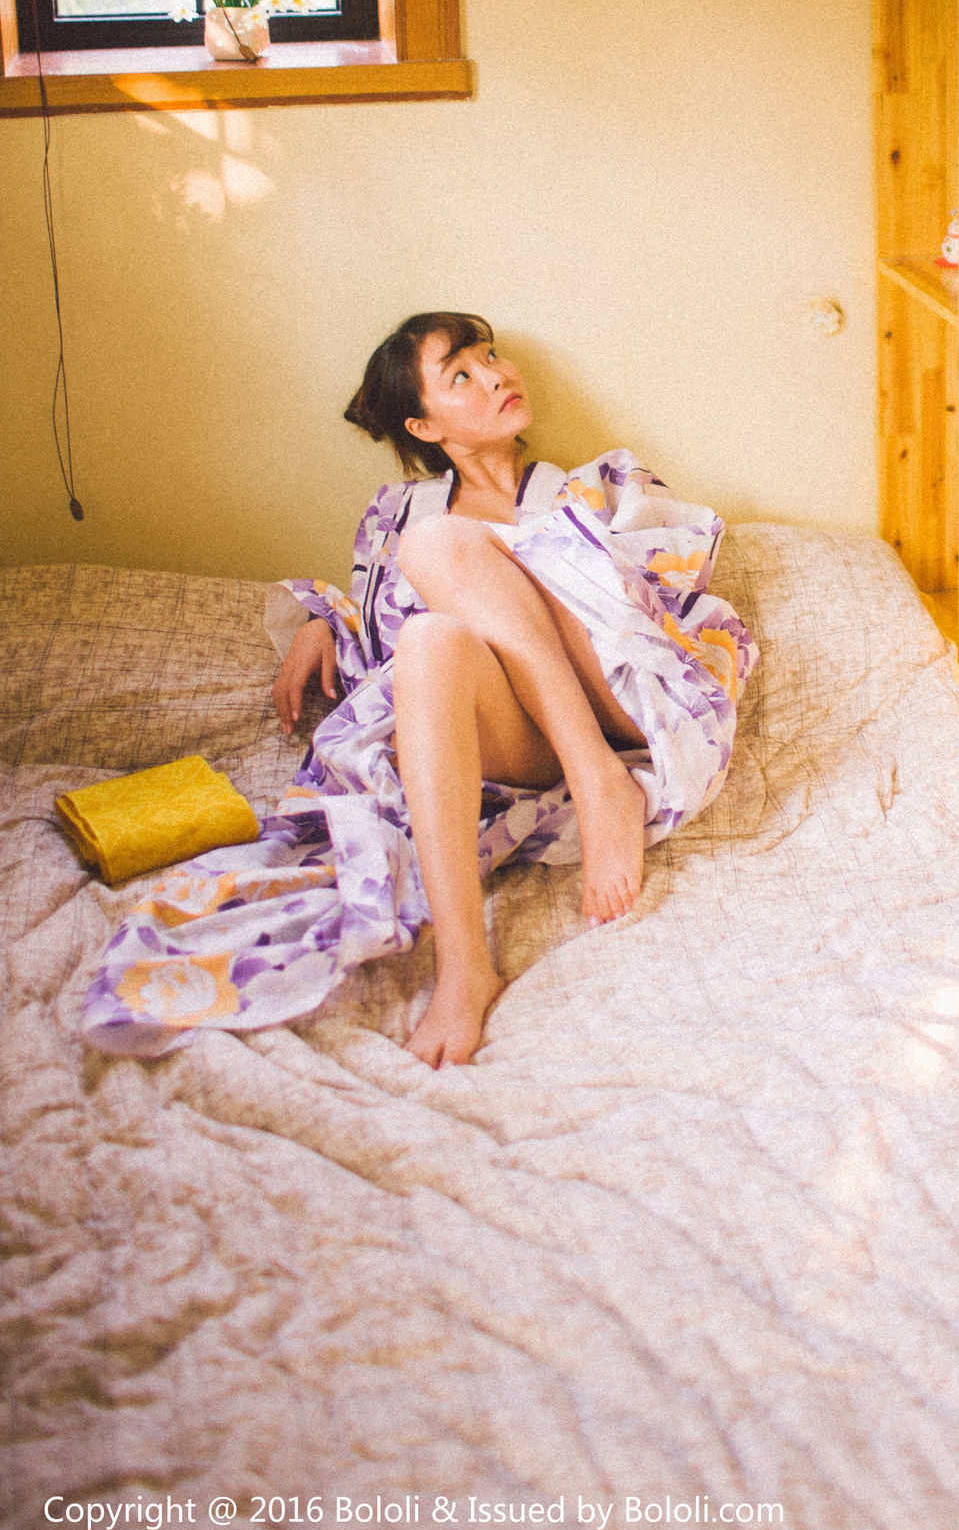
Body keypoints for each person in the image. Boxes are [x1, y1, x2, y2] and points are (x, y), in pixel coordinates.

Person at [83, 315, 756, 1068]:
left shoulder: (592, 485)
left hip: (620, 697)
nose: (496, 375)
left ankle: (603, 780)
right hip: (520, 741)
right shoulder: (398, 517)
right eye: (461, 374)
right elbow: (381, 637)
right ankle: (465, 966)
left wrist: (527, 552)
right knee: (430, 637)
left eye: (491, 357)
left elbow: (657, 602)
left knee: (440, 546)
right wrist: (321, 621)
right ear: (423, 424)